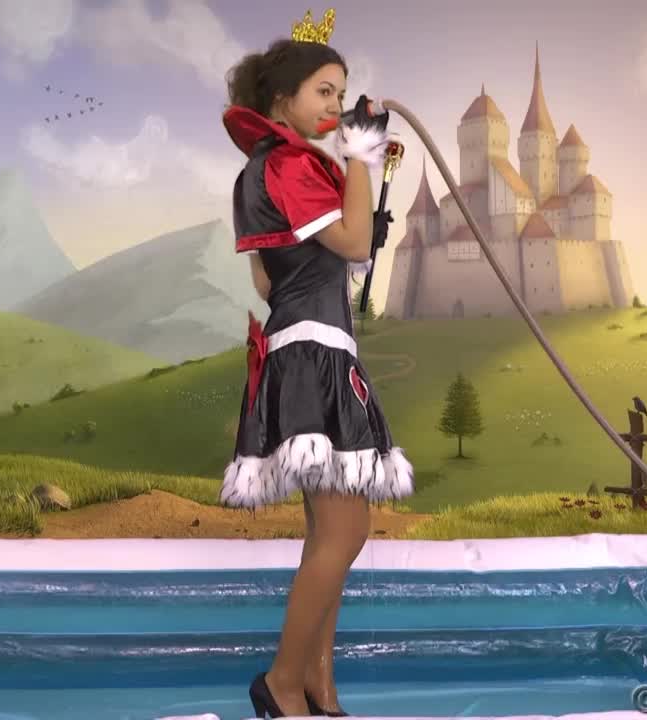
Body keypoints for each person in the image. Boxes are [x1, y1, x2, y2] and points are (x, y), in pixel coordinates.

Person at [219, 11, 415, 718]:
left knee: (332, 533)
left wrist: (335, 230)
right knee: (344, 532)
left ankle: (318, 686)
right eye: (324, 93)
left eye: (340, 93)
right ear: (282, 101)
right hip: (314, 356)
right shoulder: (291, 164)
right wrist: (361, 157)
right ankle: (281, 683)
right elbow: (356, 245)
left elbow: (266, 280)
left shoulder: (265, 169)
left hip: (305, 347)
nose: (335, 105)